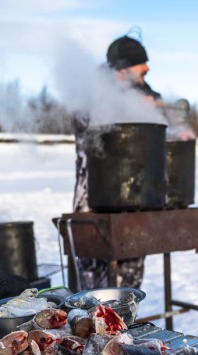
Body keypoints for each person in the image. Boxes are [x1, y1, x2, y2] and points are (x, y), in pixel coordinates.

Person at [71, 34, 164, 290]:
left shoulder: (142, 90)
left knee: (128, 288)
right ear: (122, 69)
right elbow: (88, 123)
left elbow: (164, 115)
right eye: (140, 63)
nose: (146, 68)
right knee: (93, 291)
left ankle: (125, 326)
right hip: (92, 201)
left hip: (134, 200)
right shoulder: (91, 91)